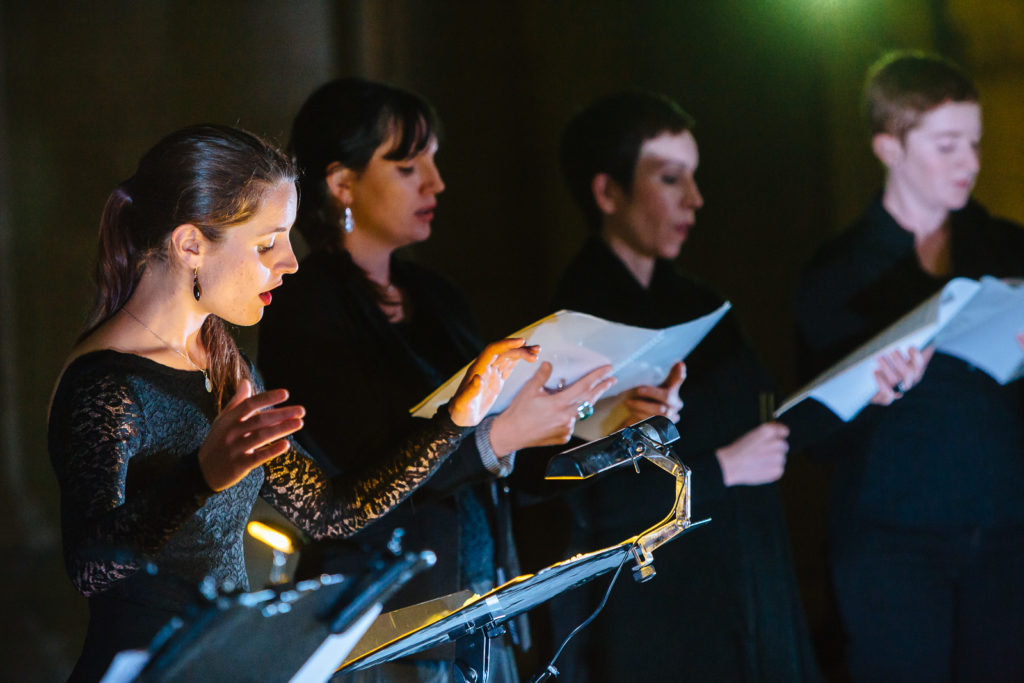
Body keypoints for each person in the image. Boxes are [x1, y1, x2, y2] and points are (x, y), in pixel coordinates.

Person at [48, 124, 536, 682]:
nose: (290, 262)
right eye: (266, 244)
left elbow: (330, 512)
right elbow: (90, 569)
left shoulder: (222, 360)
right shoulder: (106, 383)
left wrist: (457, 419)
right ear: (190, 246)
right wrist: (202, 477)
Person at [257, 78, 614, 682]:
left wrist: (601, 420)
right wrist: (495, 438)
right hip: (387, 619)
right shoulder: (304, 302)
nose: (436, 183)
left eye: (434, 162)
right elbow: (363, 483)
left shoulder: (436, 297)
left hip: (481, 604)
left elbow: (508, 474)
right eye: (407, 166)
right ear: (341, 183)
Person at [533, 91, 822, 682]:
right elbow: (587, 498)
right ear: (607, 192)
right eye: (670, 178)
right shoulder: (575, 322)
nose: (695, 199)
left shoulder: (700, 304)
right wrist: (722, 467)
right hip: (657, 610)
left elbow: (762, 418)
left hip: (743, 577)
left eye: (693, 178)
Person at [795, 51, 1024, 682]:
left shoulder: (1007, 247)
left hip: (1006, 538)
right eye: (948, 146)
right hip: (891, 548)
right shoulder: (836, 273)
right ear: (889, 147)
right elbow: (804, 431)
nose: (970, 165)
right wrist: (868, 391)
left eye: (974, 144)